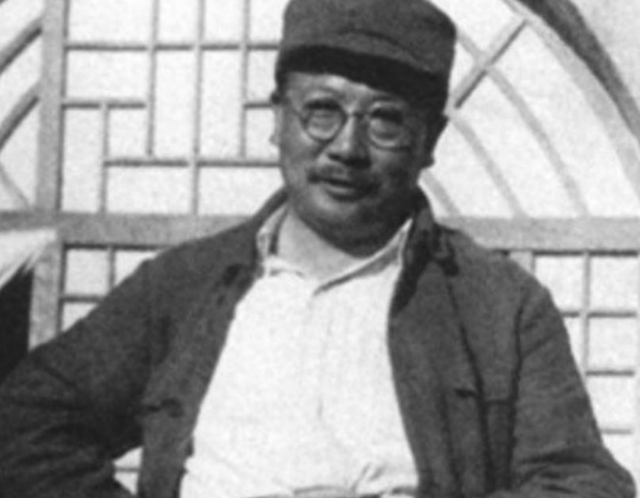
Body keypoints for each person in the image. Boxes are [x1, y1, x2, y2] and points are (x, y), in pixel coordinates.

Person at [0, 0, 635, 497]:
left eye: (385, 119)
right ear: (278, 119)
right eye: (322, 110)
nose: (347, 149)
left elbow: (585, 483)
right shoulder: (183, 286)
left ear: (430, 141)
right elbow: (24, 420)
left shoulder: (500, 306)